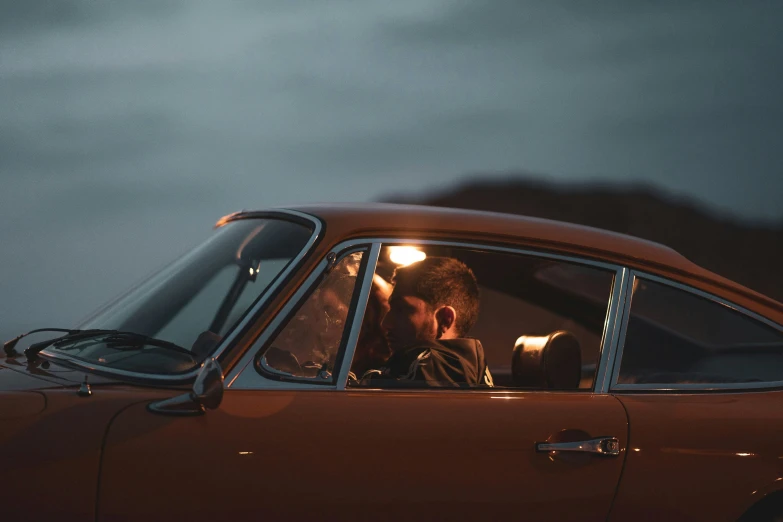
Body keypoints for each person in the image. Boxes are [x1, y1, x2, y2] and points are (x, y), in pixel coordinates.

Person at [362, 256, 492, 387]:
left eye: (401, 309)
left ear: (444, 320)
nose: (385, 323)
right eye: (392, 309)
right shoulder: (458, 370)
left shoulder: (433, 368)